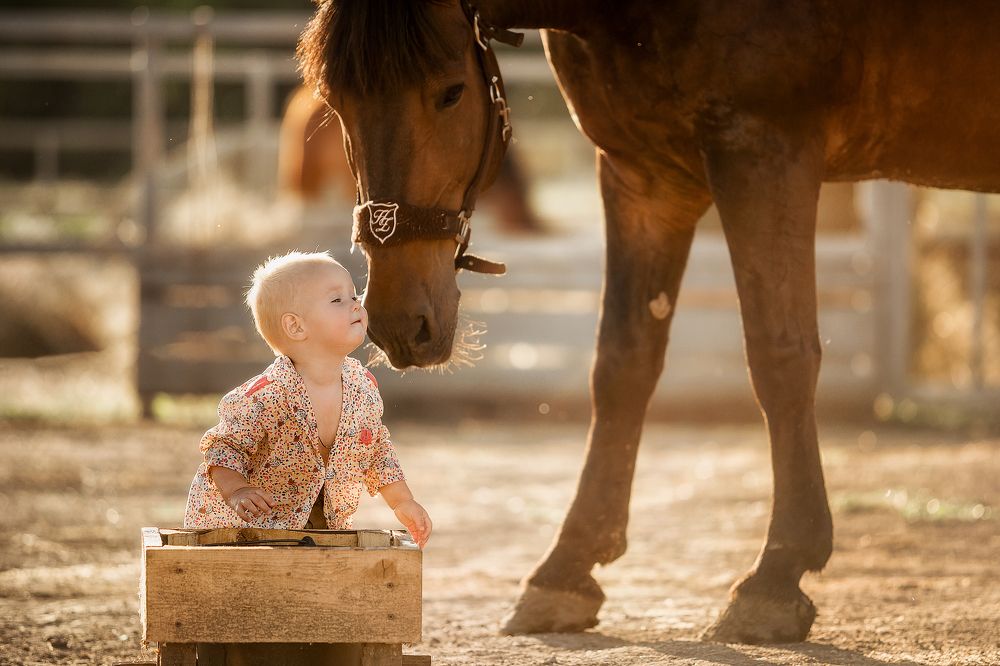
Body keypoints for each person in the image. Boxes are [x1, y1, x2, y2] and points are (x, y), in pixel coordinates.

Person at [182, 250, 431, 548]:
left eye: (354, 295)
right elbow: (224, 448)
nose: (355, 304)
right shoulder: (267, 396)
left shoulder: (362, 388)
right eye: (337, 300)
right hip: (249, 531)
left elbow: (376, 449)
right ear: (296, 326)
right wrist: (237, 491)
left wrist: (402, 501)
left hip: (320, 525)